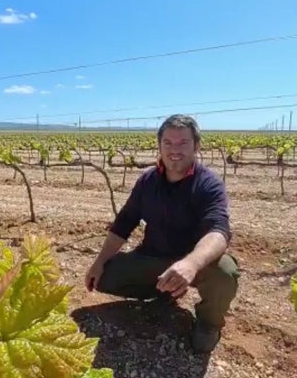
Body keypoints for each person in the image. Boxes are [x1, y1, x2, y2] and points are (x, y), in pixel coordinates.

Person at [84, 114, 239, 354]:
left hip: (194, 264)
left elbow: (218, 231)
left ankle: (209, 325)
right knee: (103, 277)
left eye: (183, 143)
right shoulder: (148, 180)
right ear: (159, 146)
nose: (174, 150)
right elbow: (124, 223)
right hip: (153, 259)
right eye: (168, 142)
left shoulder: (208, 184)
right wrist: (99, 262)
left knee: (225, 272)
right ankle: (164, 292)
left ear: (196, 146)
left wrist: (190, 264)